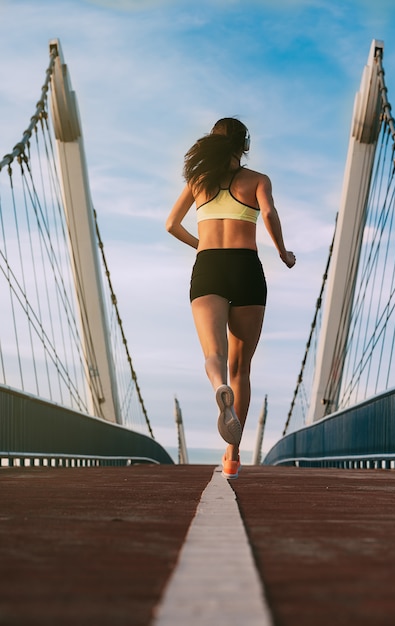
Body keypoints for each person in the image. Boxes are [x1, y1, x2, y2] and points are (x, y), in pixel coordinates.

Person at [166, 117, 296, 479]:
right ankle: (232, 455)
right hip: (246, 269)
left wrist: (201, 246)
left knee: (215, 356)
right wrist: (284, 253)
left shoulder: (198, 182)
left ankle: (217, 388)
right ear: (245, 145)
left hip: (208, 267)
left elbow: (171, 224)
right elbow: (268, 213)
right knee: (242, 368)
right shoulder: (257, 180)